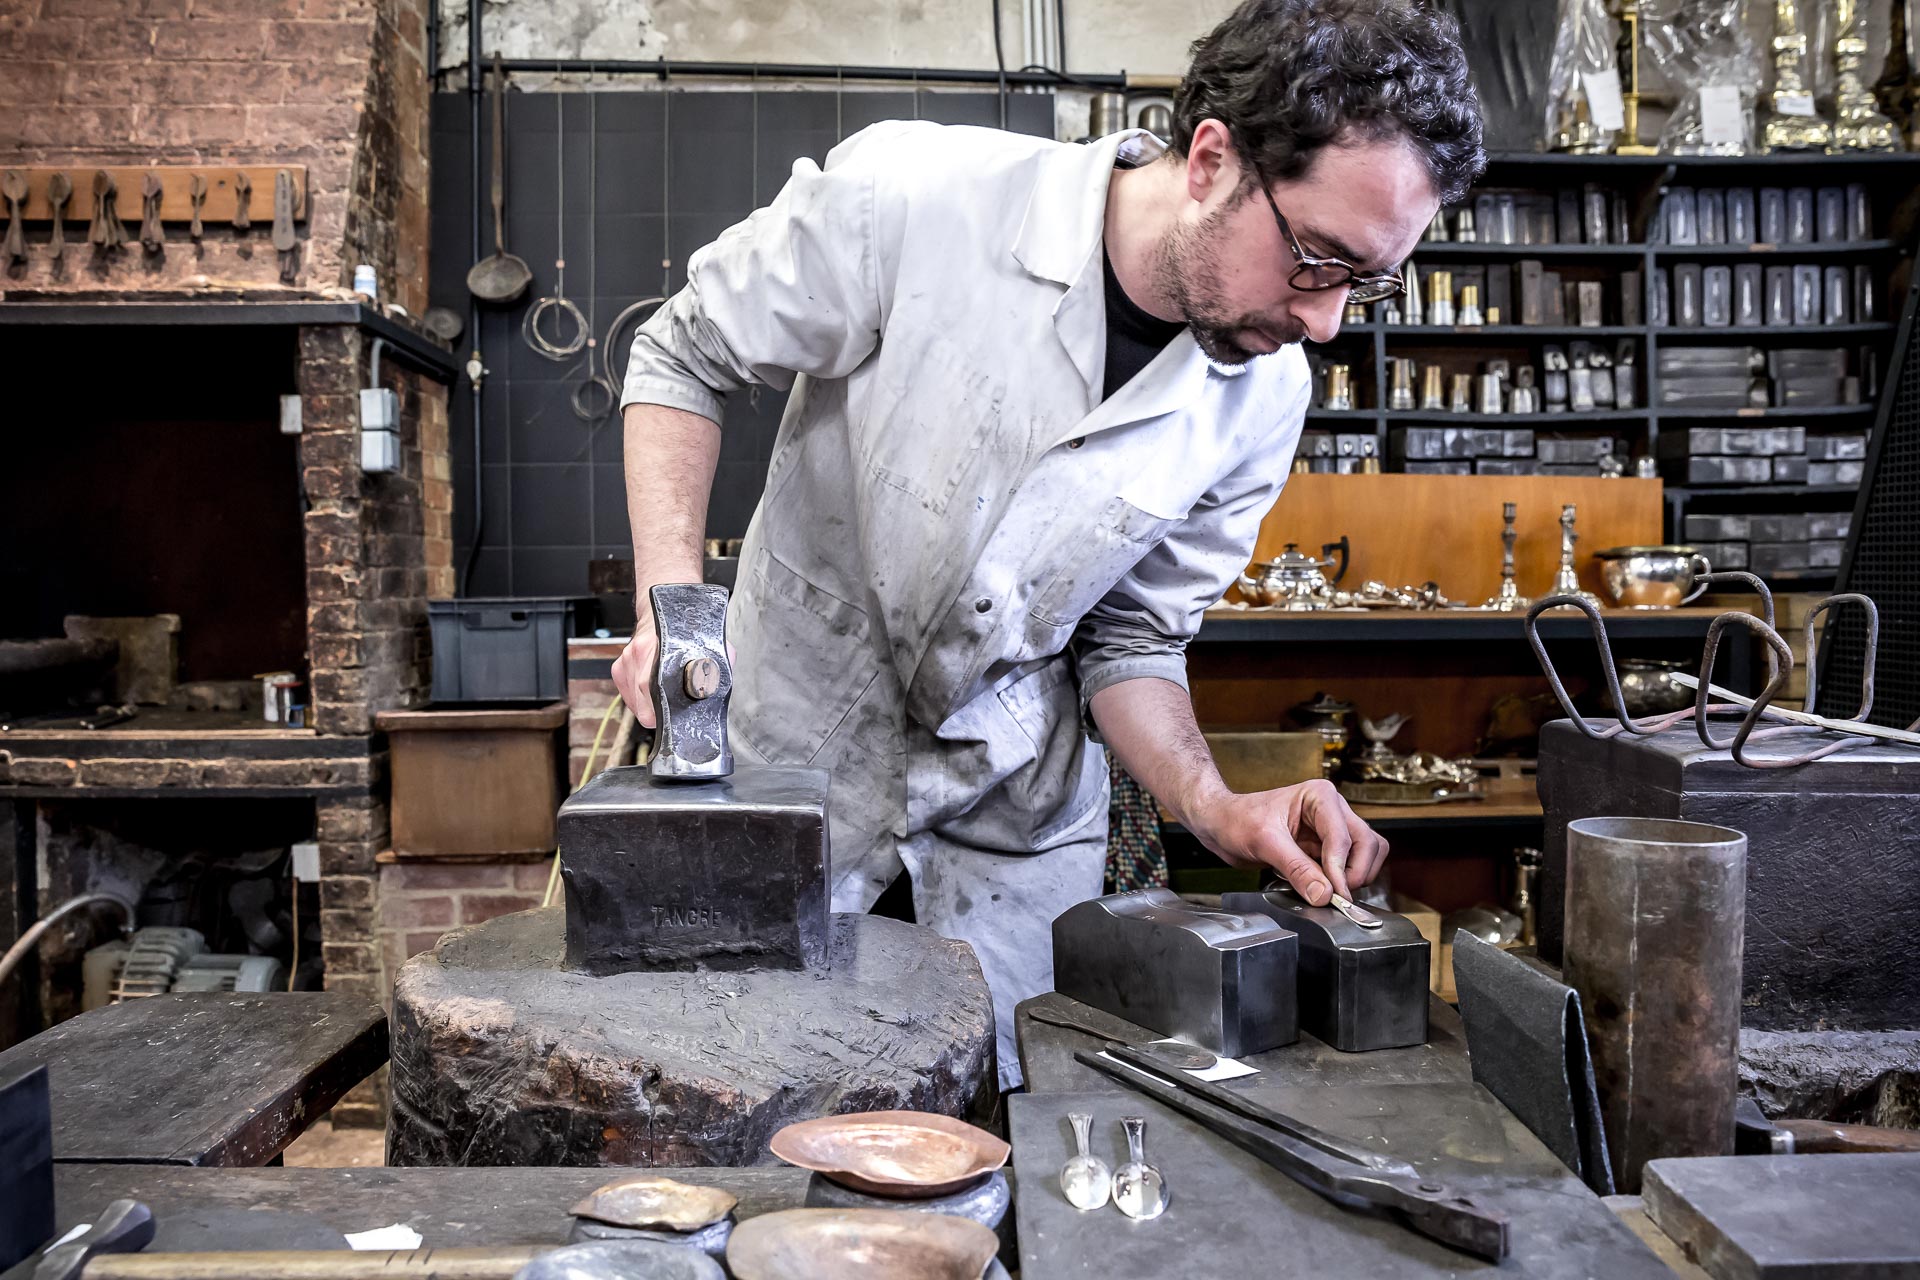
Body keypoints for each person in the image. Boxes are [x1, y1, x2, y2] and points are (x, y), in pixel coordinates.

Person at [612, 0, 1486, 1085]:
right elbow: (681, 355)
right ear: (1212, 158)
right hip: (789, 779)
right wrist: (675, 607)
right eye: (1318, 260)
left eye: (1369, 281)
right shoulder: (919, 200)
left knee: (1005, 1154)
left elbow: (1130, 639)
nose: (1326, 321)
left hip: (1006, 838)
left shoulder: (1262, 396)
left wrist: (1213, 802)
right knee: (747, 1115)